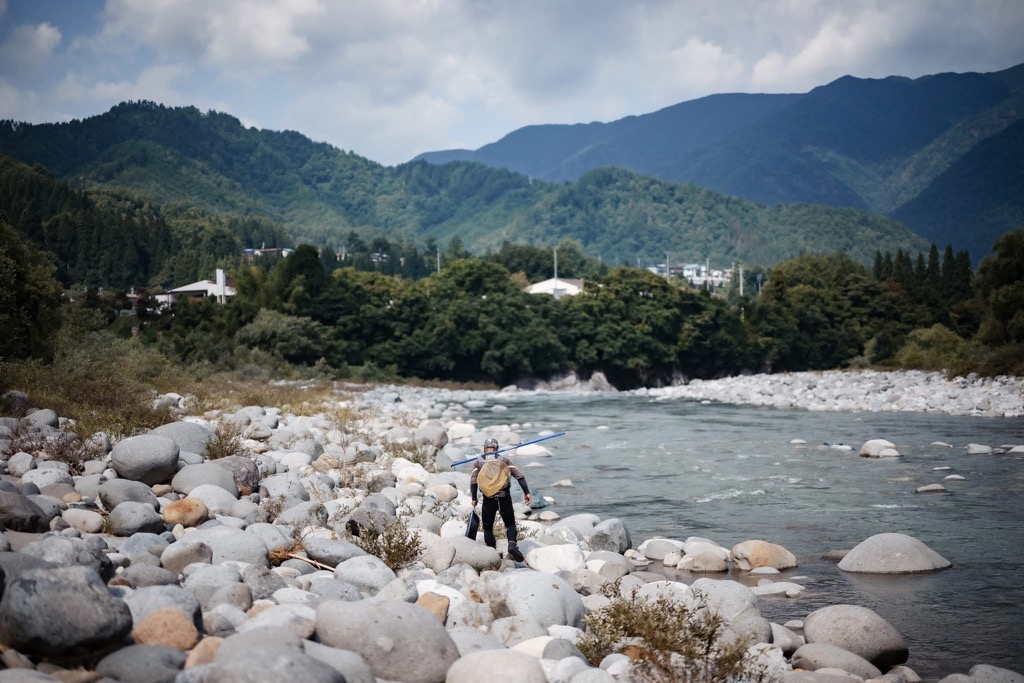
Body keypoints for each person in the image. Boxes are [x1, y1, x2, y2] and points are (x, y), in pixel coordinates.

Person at [470, 437, 532, 562]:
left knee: (488, 527)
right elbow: (519, 476)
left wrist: (474, 498)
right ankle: (512, 545)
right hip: (504, 497)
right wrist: (526, 492)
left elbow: (473, 482)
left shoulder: (478, 462)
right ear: (497, 448)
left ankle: (493, 553)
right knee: (510, 524)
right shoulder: (504, 460)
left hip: (488, 499)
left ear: (484, 449)